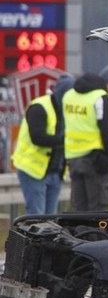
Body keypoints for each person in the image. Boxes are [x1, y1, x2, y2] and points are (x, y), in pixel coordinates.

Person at [10, 73, 75, 215]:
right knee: (37, 217)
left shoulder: (69, 110)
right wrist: (66, 141)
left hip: (56, 172)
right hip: (33, 170)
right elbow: (38, 138)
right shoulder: (39, 107)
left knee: (49, 221)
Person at [63, 65, 108, 212]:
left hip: (73, 159)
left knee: (79, 210)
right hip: (95, 161)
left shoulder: (69, 95)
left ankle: (79, 235)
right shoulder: (102, 99)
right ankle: (95, 236)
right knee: (98, 212)